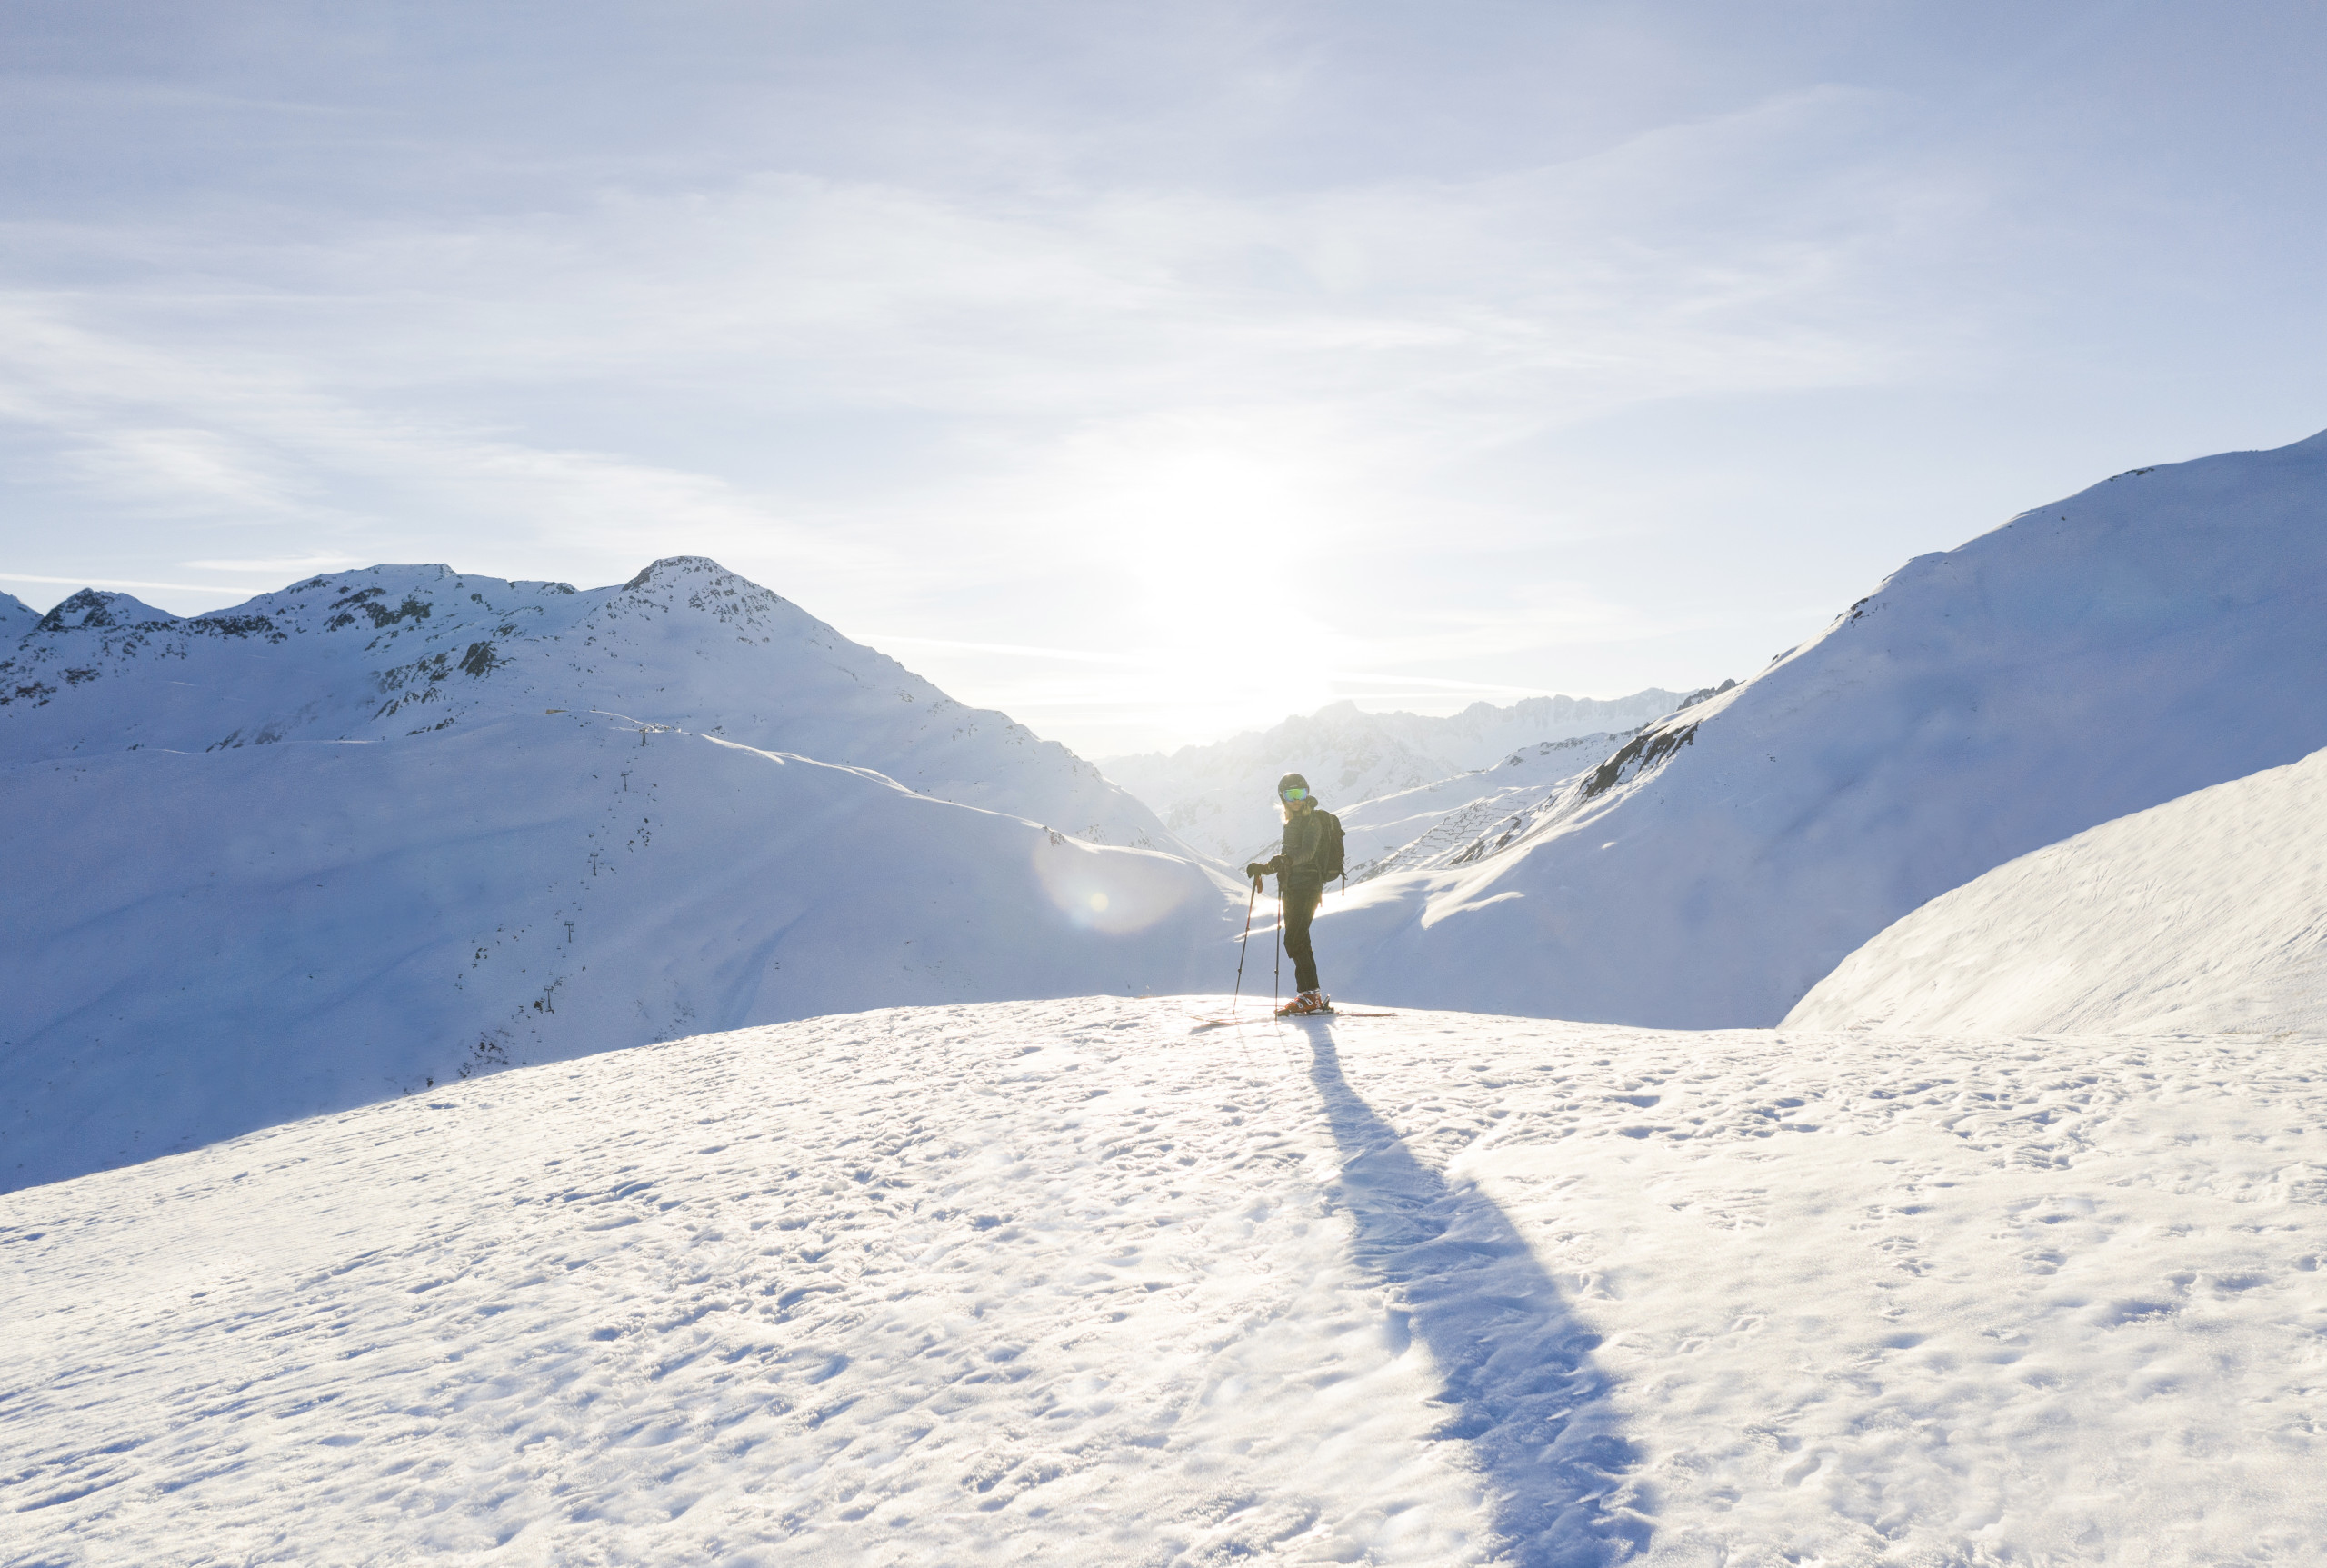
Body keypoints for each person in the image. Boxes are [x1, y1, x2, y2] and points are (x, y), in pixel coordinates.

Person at [1245, 772, 1331, 1014]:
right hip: (1292, 888)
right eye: (1291, 794)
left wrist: (1284, 860)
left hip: (1308, 887)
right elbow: (1288, 859)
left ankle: (1310, 996)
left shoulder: (1313, 821)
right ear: (1282, 798)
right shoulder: (1291, 823)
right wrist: (1265, 868)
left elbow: (1307, 853)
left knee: (1295, 938)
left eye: (1301, 794)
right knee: (1297, 939)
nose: (1297, 800)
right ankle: (1309, 996)